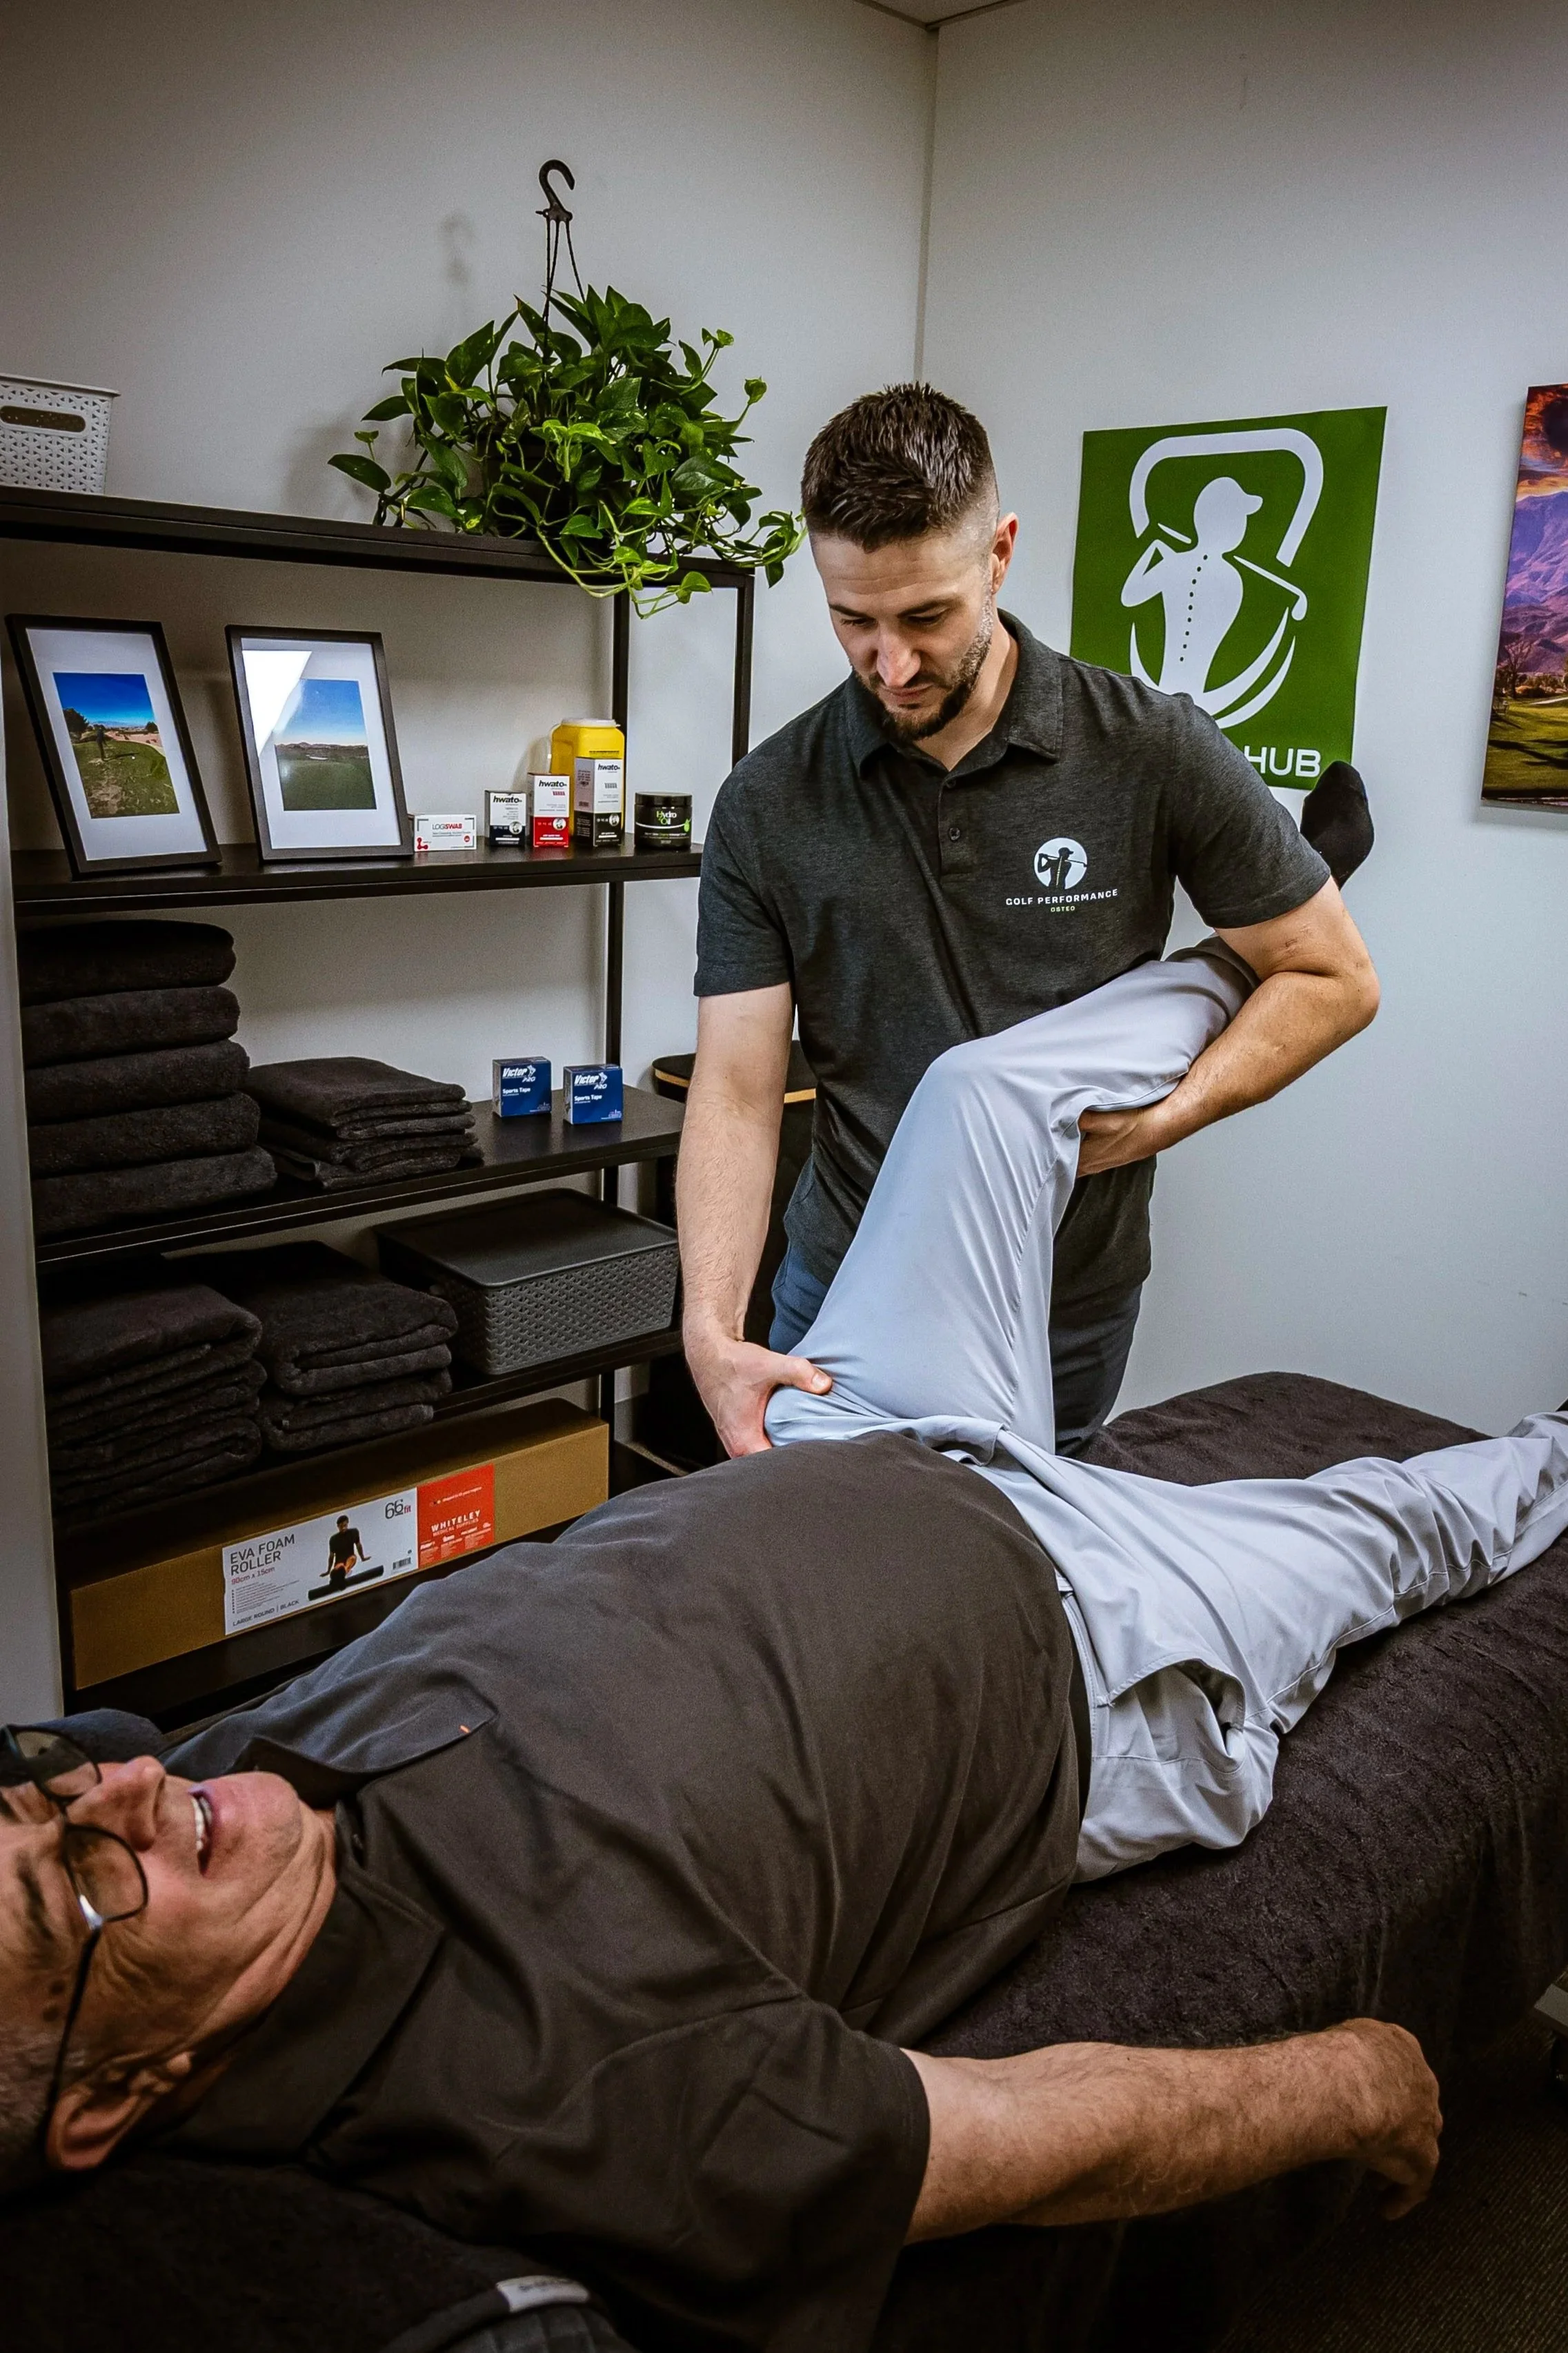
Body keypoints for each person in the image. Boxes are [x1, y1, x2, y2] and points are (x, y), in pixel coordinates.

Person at [5, 949, 1562, 2353]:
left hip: (864, 1430)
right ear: (110, 2100)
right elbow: (1005, 2135)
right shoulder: (549, 2099)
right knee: (1393, 1527)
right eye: (72, 1877)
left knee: (981, 1091)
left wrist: (58, 1833)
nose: (117, 1793)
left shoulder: (200, 1796)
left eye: (42, 1806)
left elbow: (74, 1788)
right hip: (1096, 1633)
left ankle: (1256, 944)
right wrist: (1352, 2074)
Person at [680, 382, 1378, 1459]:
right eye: (851, 621)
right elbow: (734, 1089)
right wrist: (712, 1331)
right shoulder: (769, 802)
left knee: (1024, 1589)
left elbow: (1338, 980)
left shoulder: (1151, 748)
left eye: (925, 617)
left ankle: (1294, 881)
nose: (892, 666)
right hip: (847, 1283)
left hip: (1067, 1293)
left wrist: (1159, 1123)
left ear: (1000, 554)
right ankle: (1309, 869)